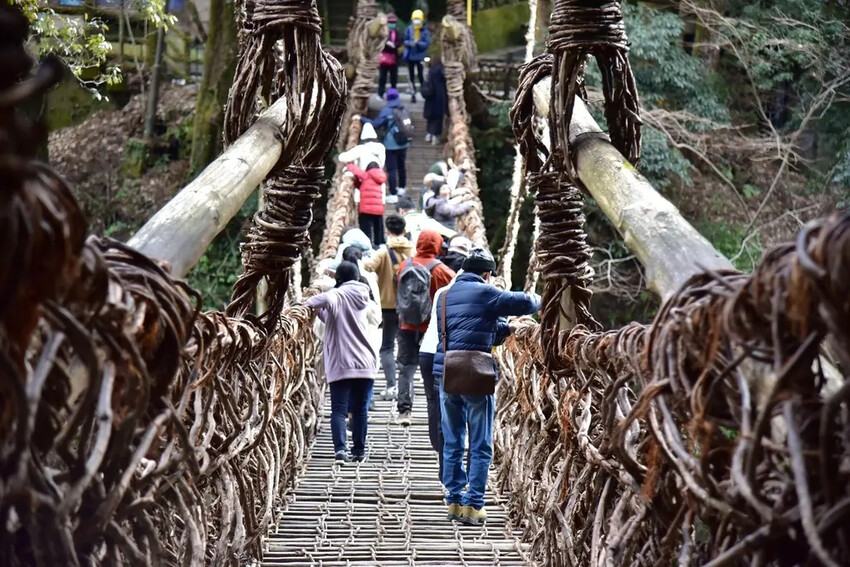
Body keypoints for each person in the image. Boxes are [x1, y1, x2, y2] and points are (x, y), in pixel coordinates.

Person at [435, 248, 541, 525]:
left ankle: (454, 500)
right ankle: (475, 504)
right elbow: (524, 303)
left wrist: (505, 329)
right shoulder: (486, 293)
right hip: (475, 373)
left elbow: (462, 331)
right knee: (480, 441)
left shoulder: (444, 296)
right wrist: (545, 296)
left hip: (447, 371)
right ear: (487, 274)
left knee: (453, 439)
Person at [305, 261, 380, 463]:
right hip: (365, 362)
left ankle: (340, 450)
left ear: (339, 279)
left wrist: (304, 303)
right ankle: (359, 451)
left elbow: (315, 301)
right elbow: (335, 319)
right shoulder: (363, 296)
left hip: (341, 361)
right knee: (359, 410)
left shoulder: (337, 295)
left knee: (339, 409)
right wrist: (321, 313)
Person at [394, 230, 455, 425]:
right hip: (431, 329)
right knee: (433, 372)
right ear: (437, 245)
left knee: (405, 368)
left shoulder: (404, 265)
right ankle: (437, 411)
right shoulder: (442, 270)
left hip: (406, 324)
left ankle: (404, 411)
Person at [361, 214, 414, 400]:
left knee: (387, 347)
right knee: (408, 348)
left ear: (387, 231)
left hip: (387, 307)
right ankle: (406, 388)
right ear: (405, 231)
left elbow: (367, 267)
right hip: (409, 307)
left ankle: (392, 386)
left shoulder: (383, 252)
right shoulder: (412, 251)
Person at [361, 88, 410, 203]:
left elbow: (376, 124)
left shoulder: (387, 110)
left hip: (391, 144)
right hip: (404, 142)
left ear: (387, 98)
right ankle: (402, 188)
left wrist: (362, 119)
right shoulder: (403, 108)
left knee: (391, 169)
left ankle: (393, 194)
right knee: (401, 166)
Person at [346, 161, 387, 247]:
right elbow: (361, 186)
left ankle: (367, 247)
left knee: (366, 230)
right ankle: (379, 245)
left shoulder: (366, 175)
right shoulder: (380, 178)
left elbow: (356, 170)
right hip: (378, 208)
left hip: (366, 209)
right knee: (378, 229)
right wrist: (356, 180)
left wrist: (349, 164)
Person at [403, 9, 431, 102]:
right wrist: (410, 43)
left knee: (421, 76)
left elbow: (427, 43)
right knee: (411, 76)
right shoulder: (409, 29)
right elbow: (405, 40)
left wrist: (419, 43)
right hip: (410, 56)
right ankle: (412, 93)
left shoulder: (425, 31)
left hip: (420, 56)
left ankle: (424, 93)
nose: (416, 21)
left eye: (418, 19)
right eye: (415, 19)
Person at [421, 56, 447, 144]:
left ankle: (429, 134)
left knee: (430, 118)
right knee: (438, 118)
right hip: (439, 97)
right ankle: (435, 136)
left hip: (430, 98)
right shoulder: (441, 71)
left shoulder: (429, 72)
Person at [378, 13, 401, 98]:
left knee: (393, 79)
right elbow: (378, 43)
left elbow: (400, 42)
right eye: (390, 22)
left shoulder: (397, 32)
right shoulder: (383, 32)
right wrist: (386, 43)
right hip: (384, 58)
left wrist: (395, 45)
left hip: (394, 58)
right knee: (382, 78)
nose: (392, 24)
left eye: (393, 22)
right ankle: (380, 94)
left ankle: (393, 94)